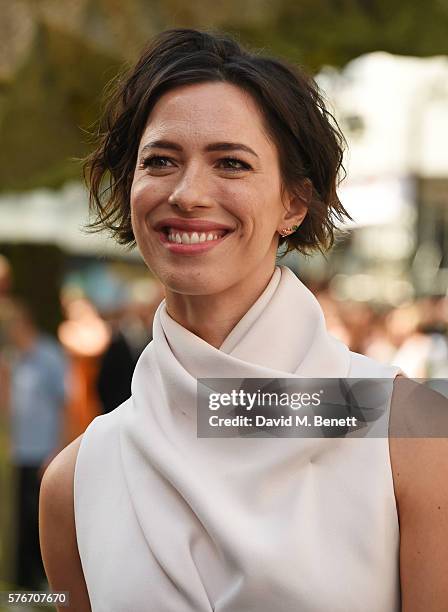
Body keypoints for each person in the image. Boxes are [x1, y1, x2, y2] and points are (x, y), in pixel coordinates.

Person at [39, 29, 448, 611]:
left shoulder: (409, 433)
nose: (187, 193)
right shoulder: (76, 480)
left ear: (294, 202)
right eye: (160, 161)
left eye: (231, 163)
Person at [1, 300, 67, 589]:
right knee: (18, 521)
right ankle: (21, 581)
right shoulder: (12, 360)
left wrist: (58, 450)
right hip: (18, 452)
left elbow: (66, 405)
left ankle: (44, 582)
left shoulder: (49, 355)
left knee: (38, 521)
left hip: (43, 452)